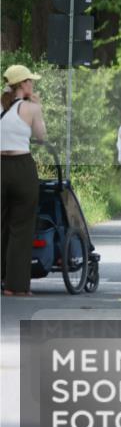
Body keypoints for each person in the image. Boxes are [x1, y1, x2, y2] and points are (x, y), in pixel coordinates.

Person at [1, 65, 47, 297]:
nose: (33, 85)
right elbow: (41, 136)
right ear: (23, 85)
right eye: (30, 81)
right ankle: (15, 286)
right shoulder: (31, 108)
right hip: (21, 167)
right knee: (21, 226)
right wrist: (37, 107)